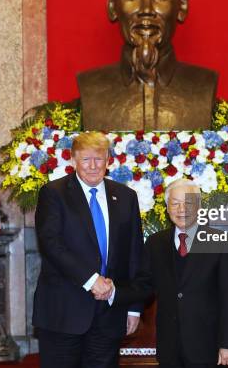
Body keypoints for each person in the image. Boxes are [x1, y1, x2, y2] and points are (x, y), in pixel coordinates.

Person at [77, 0, 218, 131]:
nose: (146, 10)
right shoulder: (91, 88)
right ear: (112, 5)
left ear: (182, 5)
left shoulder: (203, 85)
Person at [32, 131, 144, 368]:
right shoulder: (54, 194)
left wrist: (133, 307)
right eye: (85, 159)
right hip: (63, 313)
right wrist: (91, 280)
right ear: (73, 160)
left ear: (108, 161)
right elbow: (51, 244)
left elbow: (135, 254)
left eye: (99, 159)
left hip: (109, 314)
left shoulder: (126, 197)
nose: (93, 166)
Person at [105, 179, 228, 367]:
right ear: (167, 208)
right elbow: (143, 284)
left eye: (188, 203)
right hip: (169, 345)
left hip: (207, 345)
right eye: (175, 203)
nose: (181, 209)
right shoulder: (155, 243)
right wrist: (114, 291)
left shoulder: (221, 243)